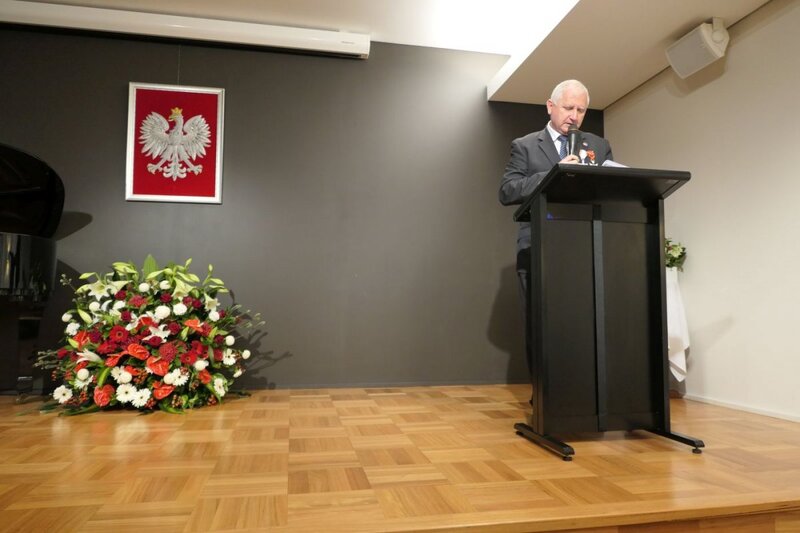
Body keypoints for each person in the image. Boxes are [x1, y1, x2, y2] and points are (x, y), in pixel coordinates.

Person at [498, 79, 613, 379]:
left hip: (583, 249)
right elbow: (507, 191)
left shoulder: (598, 146)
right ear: (550, 107)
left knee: (581, 324)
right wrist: (552, 174)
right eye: (568, 108)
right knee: (543, 325)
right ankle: (545, 398)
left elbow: (611, 187)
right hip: (538, 249)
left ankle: (581, 391)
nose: (574, 116)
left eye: (581, 110)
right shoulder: (524, 145)